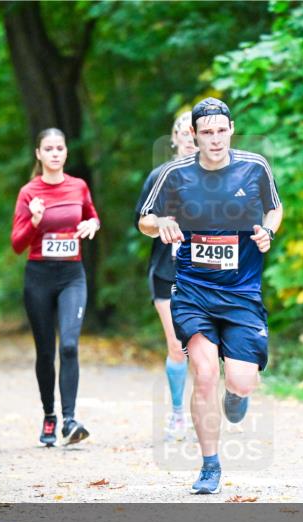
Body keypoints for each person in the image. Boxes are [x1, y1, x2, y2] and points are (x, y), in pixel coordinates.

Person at [138, 97, 283, 494]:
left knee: (242, 381)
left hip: (241, 292)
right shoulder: (175, 174)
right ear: (194, 135)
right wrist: (162, 223)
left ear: (231, 130)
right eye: (207, 132)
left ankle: (237, 394)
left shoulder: (255, 167)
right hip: (193, 290)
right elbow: (145, 220)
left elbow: (274, 209)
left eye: (221, 131)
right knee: (203, 374)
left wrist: (268, 232)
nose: (215, 139)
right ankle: (209, 466)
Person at [11, 128, 101, 447]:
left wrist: (92, 224)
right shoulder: (29, 192)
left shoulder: (78, 186)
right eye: (48, 149)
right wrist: (34, 221)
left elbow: (92, 216)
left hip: (72, 276)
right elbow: (17, 244)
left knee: (70, 346)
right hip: (39, 277)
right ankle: (49, 414)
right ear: (38, 154)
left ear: (66, 152)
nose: (54, 153)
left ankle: (70, 420)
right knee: (46, 351)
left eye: (59, 148)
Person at [135, 112, 197, 440]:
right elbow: (142, 221)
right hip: (166, 271)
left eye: (194, 133)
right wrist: (161, 222)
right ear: (174, 139)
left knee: (208, 347)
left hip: (207, 273)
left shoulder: (219, 177)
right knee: (177, 346)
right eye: (183, 133)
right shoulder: (160, 176)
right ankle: (177, 414)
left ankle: (221, 398)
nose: (189, 139)